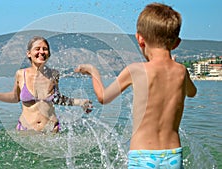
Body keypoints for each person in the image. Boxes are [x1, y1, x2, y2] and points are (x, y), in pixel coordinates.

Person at [75, 3, 197, 168]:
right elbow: (192, 92)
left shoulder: (136, 70)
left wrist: (93, 71)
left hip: (143, 156)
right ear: (176, 43)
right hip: (173, 155)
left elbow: (103, 97)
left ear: (140, 38)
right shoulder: (181, 72)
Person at [0, 36, 92, 133]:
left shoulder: (54, 74)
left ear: (49, 54)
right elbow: (15, 97)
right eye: (37, 49)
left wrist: (80, 102)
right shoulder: (21, 74)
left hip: (51, 131)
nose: (41, 52)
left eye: (45, 49)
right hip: (26, 131)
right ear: (29, 54)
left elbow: (58, 99)